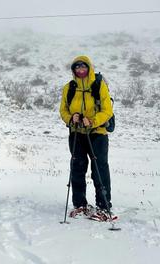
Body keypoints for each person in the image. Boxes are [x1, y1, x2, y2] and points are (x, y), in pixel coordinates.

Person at [59, 55, 114, 220]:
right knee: (77, 169)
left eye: (83, 67)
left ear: (89, 68)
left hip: (97, 133)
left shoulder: (99, 85)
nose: (80, 70)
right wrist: (71, 118)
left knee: (99, 170)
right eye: (77, 67)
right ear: (73, 70)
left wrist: (92, 121)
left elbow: (107, 110)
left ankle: (104, 208)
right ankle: (80, 205)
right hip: (76, 133)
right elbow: (63, 110)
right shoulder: (68, 88)